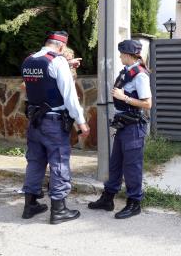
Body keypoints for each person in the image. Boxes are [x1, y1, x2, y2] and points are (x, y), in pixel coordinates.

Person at [21, 31, 90, 224]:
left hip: (34, 121)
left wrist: (66, 65)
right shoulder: (57, 61)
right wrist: (81, 121)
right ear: (61, 47)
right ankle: (58, 211)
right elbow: (70, 96)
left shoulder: (29, 60)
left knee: (34, 162)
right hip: (53, 122)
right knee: (59, 162)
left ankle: (30, 205)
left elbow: (37, 83)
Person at [88, 39, 152, 219]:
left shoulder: (140, 75)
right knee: (115, 163)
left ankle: (134, 203)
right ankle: (108, 198)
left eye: (122, 53)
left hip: (134, 127)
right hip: (123, 125)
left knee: (132, 167)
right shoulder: (126, 72)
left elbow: (148, 104)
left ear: (129, 55)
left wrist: (124, 98)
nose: (119, 56)